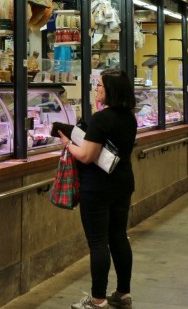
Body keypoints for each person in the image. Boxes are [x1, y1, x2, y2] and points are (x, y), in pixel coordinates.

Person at [58, 69, 137, 309]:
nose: (97, 89)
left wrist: (68, 144)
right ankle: (123, 293)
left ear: (110, 90)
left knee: (98, 242)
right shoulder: (129, 117)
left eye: (100, 85)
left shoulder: (102, 119)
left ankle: (97, 299)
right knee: (118, 237)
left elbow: (86, 155)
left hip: (98, 187)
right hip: (122, 183)